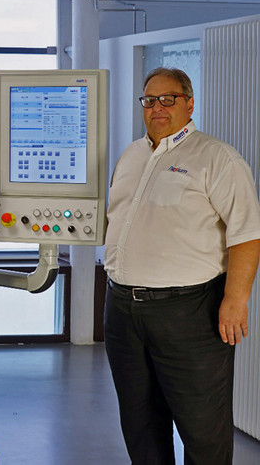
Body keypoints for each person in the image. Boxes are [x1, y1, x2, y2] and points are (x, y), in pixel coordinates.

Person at [104, 67, 260, 464]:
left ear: (190, 103)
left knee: (202, 429)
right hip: (122, 310)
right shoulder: (132, 155)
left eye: (168, 98)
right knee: (140, 424)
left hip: (189, 313)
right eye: (149, 99)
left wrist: (235, 299)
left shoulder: (217, 157)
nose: (157, 107)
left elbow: (247, 233)